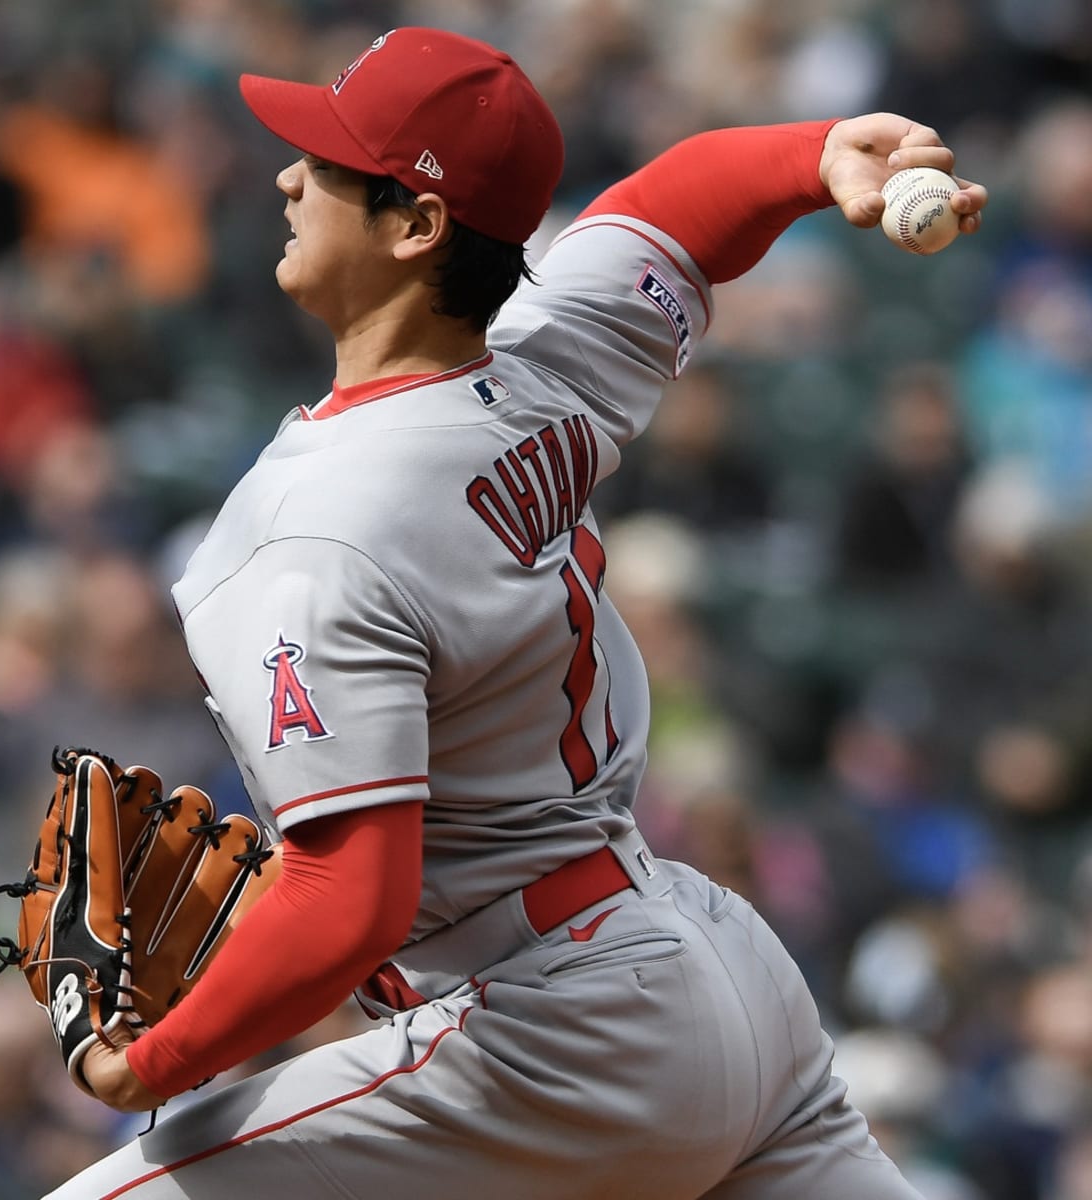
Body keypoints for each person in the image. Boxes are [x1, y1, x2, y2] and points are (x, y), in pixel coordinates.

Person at [48, 25, 986, 1200]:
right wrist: (817, 155)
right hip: (710, 967)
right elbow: (673, 214)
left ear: (417, 225)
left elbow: (351, 899)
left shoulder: (311, 529)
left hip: (559, 1037)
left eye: (329, 165)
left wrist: (148, 1066)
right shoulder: (544, 358)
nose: (289, 177)